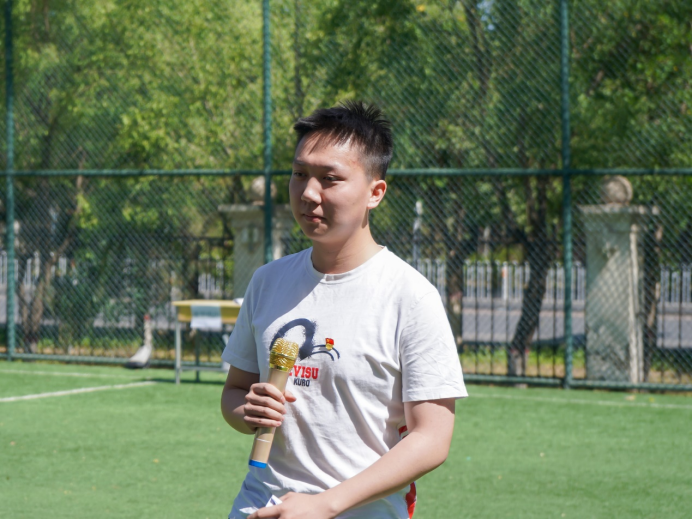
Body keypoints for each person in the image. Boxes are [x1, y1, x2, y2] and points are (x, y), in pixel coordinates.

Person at [221, 101, 467, 520]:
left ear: (375, 193)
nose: (308, 193)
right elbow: (234, 391)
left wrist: (324, 504)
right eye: (299, 174)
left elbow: (432, 439)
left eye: (330, 179)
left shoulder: (411, 297)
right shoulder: (267, 280)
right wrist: (247, 411)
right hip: (259, 504)